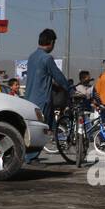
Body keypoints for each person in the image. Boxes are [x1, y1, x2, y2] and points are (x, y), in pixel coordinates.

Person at [23, 29, 70, 160]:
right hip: (42, 100)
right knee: (39, 131)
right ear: (51, 42)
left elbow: (41, 77)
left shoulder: (32, 56)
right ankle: (29, 158)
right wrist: (69, 89)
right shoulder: (47, 58)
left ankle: (29, 155)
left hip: (29, 98)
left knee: (44, 128)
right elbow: (58, 76)